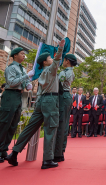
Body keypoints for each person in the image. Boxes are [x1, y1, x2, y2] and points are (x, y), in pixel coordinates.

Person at [6, 39, 65, 169]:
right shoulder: (50, 70)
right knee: (50, 129)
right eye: (49, 57)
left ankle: (14, 153)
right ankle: (47, 160)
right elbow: (57, 60)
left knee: (29, 129)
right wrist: (60, 48)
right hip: (50, 101)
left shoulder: (42, 73)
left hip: (41, 101)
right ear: (45, 62)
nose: (52, 59)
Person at [0, 47, 33, 163]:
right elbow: (12, 82)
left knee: (13, 125)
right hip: (10, 96)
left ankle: (3, 150)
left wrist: (28, 84)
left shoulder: (23, 69)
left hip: (18, 96)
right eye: (22, 53)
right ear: (14, 55)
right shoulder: (11, 68)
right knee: (4, 124)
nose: (24, 56)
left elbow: (24, 81)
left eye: (24, 54)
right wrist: (26, 77)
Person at [54, 53, 77, 162]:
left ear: (67, 61)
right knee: (65, 124)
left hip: (63, 96)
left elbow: (58, 85)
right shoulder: (72, 72)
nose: (63, 62)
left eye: (64, 60)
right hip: (67, 97)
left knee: (61, 125)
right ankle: (61, 151)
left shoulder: (64, 72)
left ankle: (57, 153)